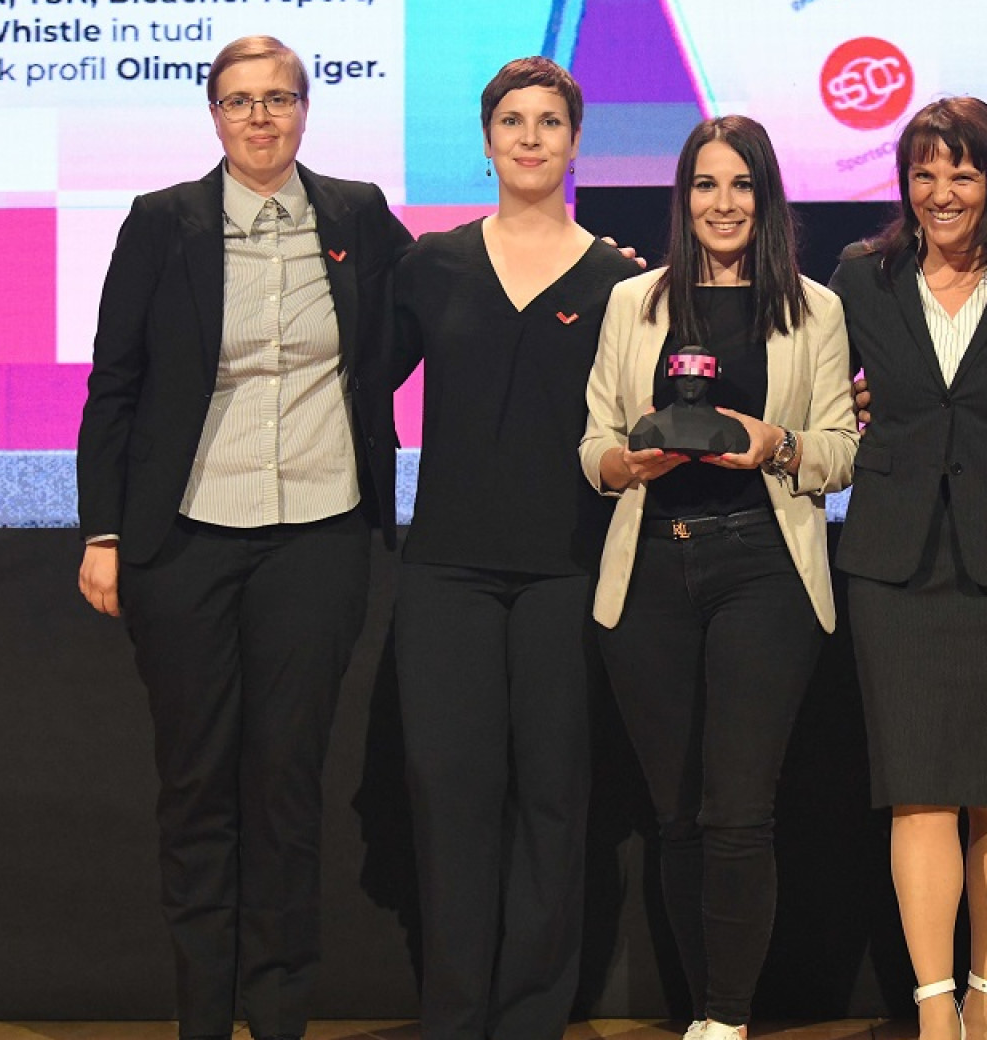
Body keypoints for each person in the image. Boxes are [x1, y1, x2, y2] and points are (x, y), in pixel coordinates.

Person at [75, 35, 410, 1040]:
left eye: (277, 99)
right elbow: (114, 386)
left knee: (284, 786)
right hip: (185, 539)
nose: (259, 118)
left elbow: (419, 326)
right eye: (239, 102)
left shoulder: (356, 215)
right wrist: (104, 530)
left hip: (317, 535)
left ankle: (276, 1018)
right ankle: (201, 1018)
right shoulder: (162, 223)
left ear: (306, 109)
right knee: (196, 783)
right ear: (213, 115)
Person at [578, 115, 858, 1040]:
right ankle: (703, 1010)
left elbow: (840, 452)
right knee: (677, 816)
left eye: (741, 184)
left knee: (739, 808)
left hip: (763, 567)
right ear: (683, 197)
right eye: (706, 184)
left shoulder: (813, 308)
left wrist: (773, 444)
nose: (723, 202)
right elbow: (595, 441)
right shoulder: (635, 303)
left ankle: (727, 1020)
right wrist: (624, 467)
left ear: (767, 196)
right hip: (649, 565)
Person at [390, 56, 639, 1040]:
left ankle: (534, 1016)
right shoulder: (431, 264)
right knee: (451, 795)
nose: (530, 137)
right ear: (487, 140)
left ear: (575, 140)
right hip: (445, 568)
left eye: (549, 121)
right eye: (512, 120)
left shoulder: (621, 279)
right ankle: (455, 1016)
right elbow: (353, 382)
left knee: (551, 798)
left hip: (567, 570)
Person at [829, 97, 987, 1040]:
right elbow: (816, 389)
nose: (941, 192)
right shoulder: (860, 277)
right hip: (895, 560)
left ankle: (985, 1000)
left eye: (962, 173)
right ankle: (934, 1011)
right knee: (918, 783)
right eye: (924, 173)